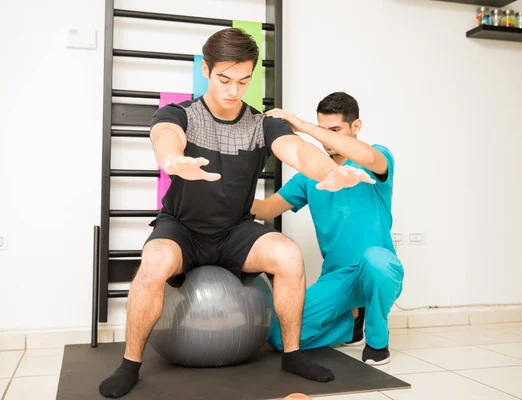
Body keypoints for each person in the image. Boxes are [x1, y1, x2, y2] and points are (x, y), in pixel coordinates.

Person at [99, 29, 374, 398]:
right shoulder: (178, 113)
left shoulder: (262, 124)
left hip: (235, 232)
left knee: (287, 252)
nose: (233, 90)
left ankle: (292, 355)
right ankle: (129, 364)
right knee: (153, 259)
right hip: (182, 229)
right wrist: (173, 160)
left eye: (243, 81)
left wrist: (328, 170)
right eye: (224, 79)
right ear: (206, 71)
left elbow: (294, 149)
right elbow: (165, 135)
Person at [252, 92, 404, 366]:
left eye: (333, 131)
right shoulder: (307, 178)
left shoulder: (377, 158)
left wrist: (307, 128)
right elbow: (265, 209)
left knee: (375, 260)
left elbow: (368, 156)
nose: (325, 140)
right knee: (278, 338)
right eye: (323, 131)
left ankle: (377, 340)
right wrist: (218, 194)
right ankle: (352, 323)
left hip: (378, 269)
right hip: (338, 278)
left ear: (355, 127)